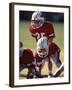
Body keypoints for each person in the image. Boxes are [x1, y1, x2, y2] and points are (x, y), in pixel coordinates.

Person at [29, 11, 62, 76]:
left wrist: (45, 47)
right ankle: (38, 74)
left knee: (58, 64)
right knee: (38, 62)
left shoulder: (49, 26)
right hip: (40, 47)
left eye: (37, 21)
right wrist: (40, 47)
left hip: (50, 46)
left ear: (42, 20)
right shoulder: (31, 28)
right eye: (33, 21)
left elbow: (51, 39)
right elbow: (36, 38)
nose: (34, 23)